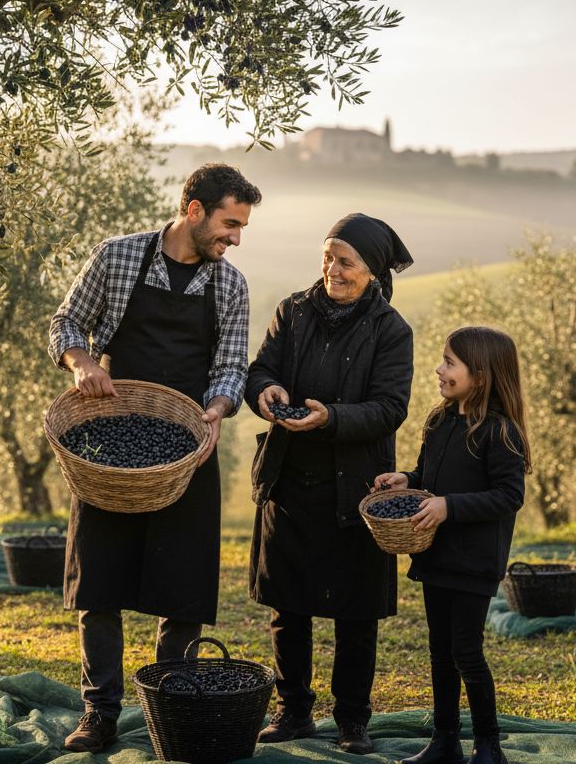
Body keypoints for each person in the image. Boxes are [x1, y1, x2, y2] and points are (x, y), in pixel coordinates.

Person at [47, 163, 260, 753]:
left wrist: (218, 408)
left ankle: (172, 703)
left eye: (241, 227)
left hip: (187, 447)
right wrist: (83, 363)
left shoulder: (229, 285)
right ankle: (101, 713)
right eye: (228, 224)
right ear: (193, 210)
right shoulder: (118, 258)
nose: (235, 239)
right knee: (99, 582)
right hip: (112, 441)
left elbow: (231, 368)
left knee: (182, 586)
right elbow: (66, 322)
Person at [246, 213, 414, 755]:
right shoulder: (292, 311)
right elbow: (259, 370)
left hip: (356, 491)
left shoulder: (392, 331)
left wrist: (331, 418)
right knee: (286, 609)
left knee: (355, 613)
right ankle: (293, 711)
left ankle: (352, 721)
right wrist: (267, 390)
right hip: (290, 482)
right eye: (327, 257)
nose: (331, 270)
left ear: (373, 272)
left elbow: (391, 408)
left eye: (345, 262)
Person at [373, 325, 529, 764]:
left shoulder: (499, 433)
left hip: (474, 564)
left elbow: (508, 496)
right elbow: (429, 478)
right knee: (440, 652)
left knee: (466, 652)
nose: (439, 370)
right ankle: (445, 743)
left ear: (480, 375)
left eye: (449, 362)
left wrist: (449, 508)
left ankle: (488, 745)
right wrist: (407, 479)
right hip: (436, 555)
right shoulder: (440, 421)